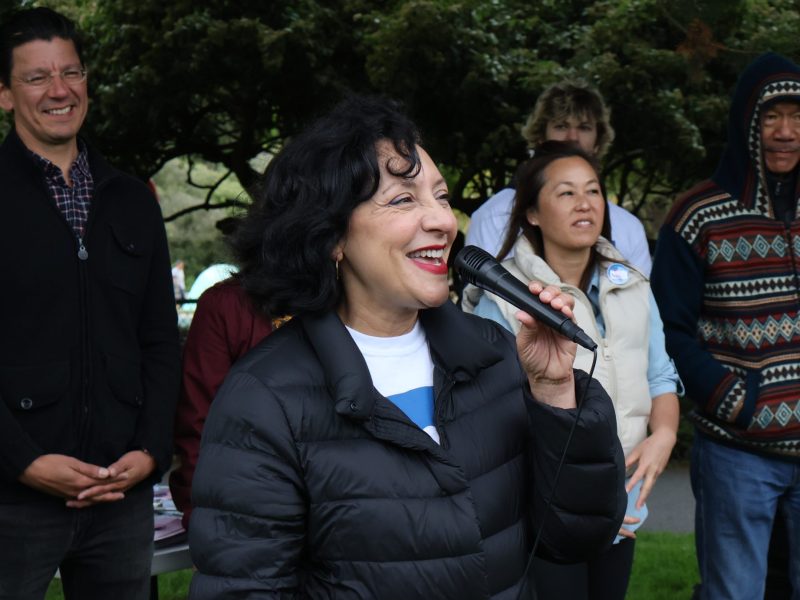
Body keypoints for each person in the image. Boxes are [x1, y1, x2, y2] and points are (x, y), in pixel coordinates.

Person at [188, 96, 626, 599]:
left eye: (440, 197)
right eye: (403, 200)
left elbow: (575, 535)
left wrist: (554, 393)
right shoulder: (264, 399)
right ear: (331, 237)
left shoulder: (493, 353)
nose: (441, 220)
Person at [0, 8, 180, 600]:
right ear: (4, 94)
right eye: (36, 77)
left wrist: (151, 449)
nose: (59, 90)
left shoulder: (131, 199)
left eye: (71, 72)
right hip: (12, 499)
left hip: (119, 496)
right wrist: (23, 462)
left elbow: (158, 339)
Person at [463, 141, 680, 599]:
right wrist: (578, 500)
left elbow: (660, 376)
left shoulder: (633, 283)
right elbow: (490, 422)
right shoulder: (502, 300)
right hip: (543, 511)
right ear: (532, 213)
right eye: (565, 193)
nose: (585, 203)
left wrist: (663, 436)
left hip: (621, 509)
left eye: (594, 191)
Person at [651, 52, 800, 600]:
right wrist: (735, 400)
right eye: (770, 116)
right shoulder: (698, 215)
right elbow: (668, 329)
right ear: (746, 122)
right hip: (739, 452)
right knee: (734, 592)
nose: (785, 131)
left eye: (797, 116)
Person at [466, 79, 652, 274]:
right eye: (561, 126)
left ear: (598, 142)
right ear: (540, 137)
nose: (572, 137)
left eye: (584, 127)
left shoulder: (629, 228)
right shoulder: (494, 216)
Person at [169, 276, 274, 530]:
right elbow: (198, 424)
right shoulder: (227, 305)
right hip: (247, 515)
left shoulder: (347, 301)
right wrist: (205, 518)